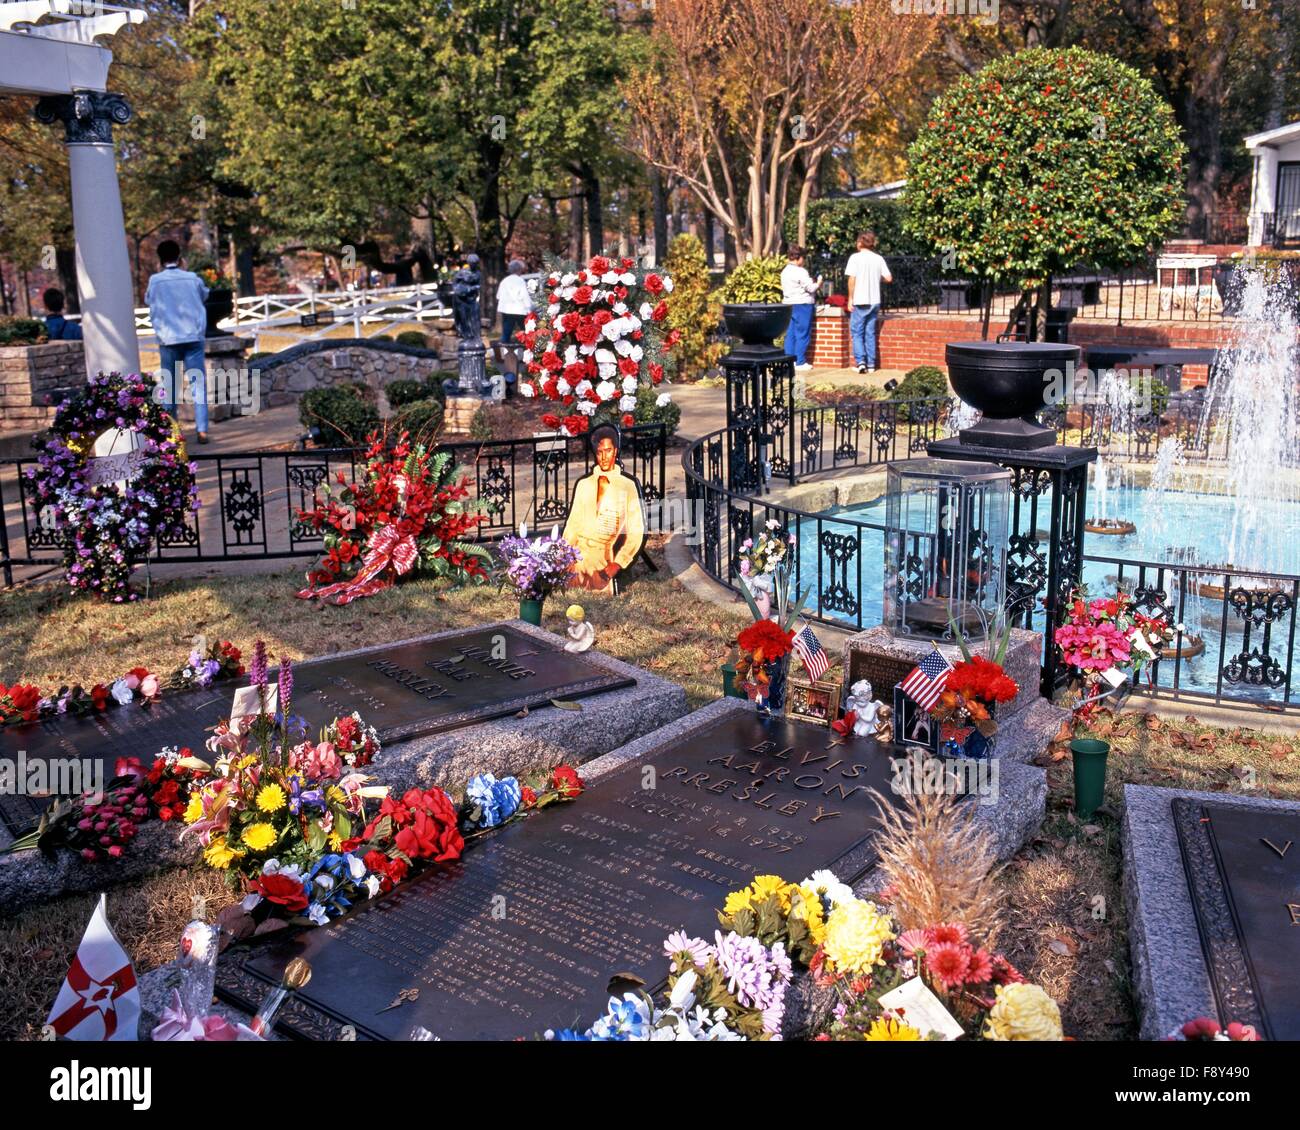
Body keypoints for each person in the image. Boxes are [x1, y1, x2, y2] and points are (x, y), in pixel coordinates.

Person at [562, 425, 646, 594]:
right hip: (577, 555)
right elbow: (572, 525)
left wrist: (618, 563)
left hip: (603, 559)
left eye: (608, 451)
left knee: (598, 593)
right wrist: (563, 555)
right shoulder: (583, 484)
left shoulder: (627, 485)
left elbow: (636, 531)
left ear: (615, 451)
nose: (604, 457)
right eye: (600, 452)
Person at [145, 240, 210, 443]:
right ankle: (202, 430)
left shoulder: (155, 280)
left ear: (160, 259)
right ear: (179, 256)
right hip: (192, 336)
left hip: (168, 339)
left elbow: (149, 300)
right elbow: (205, 294)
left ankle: (171, 432)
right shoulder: (192, 278)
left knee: (170, 387)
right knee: (197, 385)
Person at [845, 231, 892, 374]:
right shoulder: (878, 258)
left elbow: (852, 279)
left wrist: (850, 298)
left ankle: (861, 363)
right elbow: (889, 278)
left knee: (857, 333)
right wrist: (877, 279)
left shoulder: (855, 258)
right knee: (870, 333)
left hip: (860, 300)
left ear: (860, 242)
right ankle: (871, 364)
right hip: (875, 300)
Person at [780, 245, 820, 371]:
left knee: (790, 334)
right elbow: (811, 288)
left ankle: (789, 361)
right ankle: (800, 362)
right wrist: (819, 282)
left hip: (788, 304)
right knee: (802, 333)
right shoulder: (801, 271)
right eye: (803, 257)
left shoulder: (784, 271)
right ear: (799, 257)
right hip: (802, 304)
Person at [496, 258, 532, 350]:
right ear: (518, 270)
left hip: (506, 310)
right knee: (526, 331)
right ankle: (528, 349)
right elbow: (525, 297)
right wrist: (530, 308)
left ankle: (504, 352)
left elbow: (498, 296)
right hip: (519, 310)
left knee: (506, 332)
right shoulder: (520, 281)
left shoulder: (504, 281)